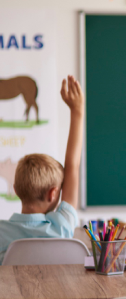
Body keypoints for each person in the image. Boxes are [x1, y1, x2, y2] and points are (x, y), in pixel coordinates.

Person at [0, 76, 84, 263]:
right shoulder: (61, 227)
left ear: (15, 189)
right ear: (54, 193)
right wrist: (77, 110)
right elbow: (73, 166)